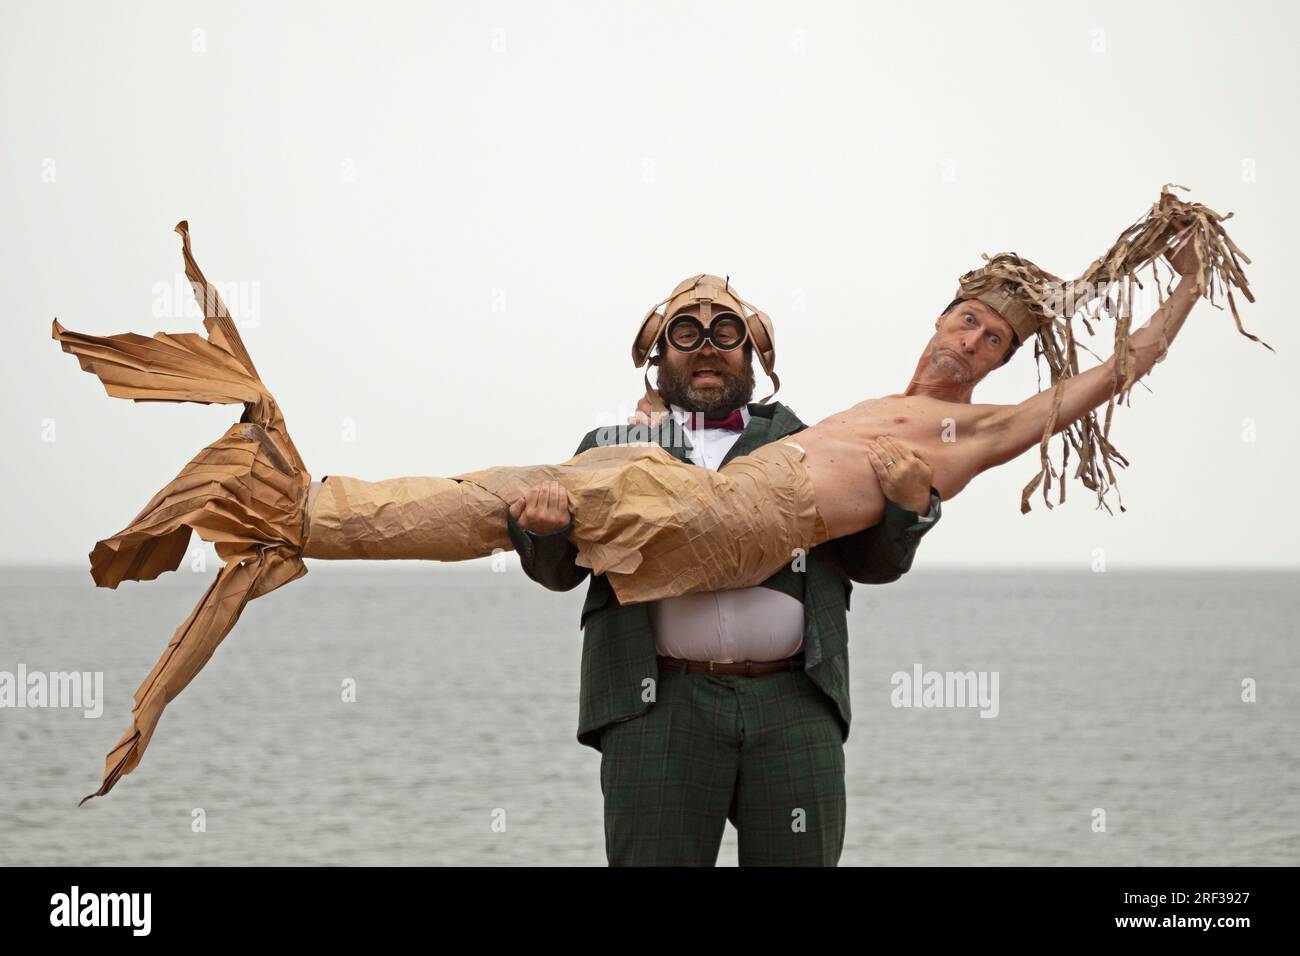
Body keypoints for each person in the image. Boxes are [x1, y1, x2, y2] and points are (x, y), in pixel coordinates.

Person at [54, 187, 1257, 802]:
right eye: (963, 313)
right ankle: (289, 509)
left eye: (992, 332)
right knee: (496, 497)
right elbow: (558, 563)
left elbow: (1105, 375)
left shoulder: (968, 432)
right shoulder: (800, 414)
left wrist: (1185, 274)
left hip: (782, 696)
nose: (970, 335)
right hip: (659, 685)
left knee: (479, 495)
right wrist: (543, 537)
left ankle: (287, 513)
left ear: (1001, 360)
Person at [502, 274, 941, 866]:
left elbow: (872, 563)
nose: (707, 346)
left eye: (725, 333)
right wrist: (544, 530)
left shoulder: (807, 443)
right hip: (658, 703)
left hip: (794, 702)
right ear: (660, 357)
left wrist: (907, 507)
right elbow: (559, 573)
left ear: (752, 355)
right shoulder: (614, 446)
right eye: (687, 334)